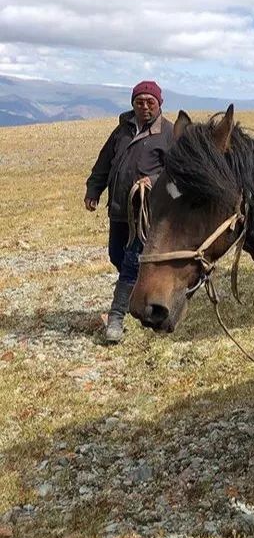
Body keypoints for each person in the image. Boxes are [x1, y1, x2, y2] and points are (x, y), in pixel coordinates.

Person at [84, 80, 174, 343]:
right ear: (133, 102)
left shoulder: (168, 133)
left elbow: (176, 171)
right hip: (119, 210)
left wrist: (154, 181)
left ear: (159, 103)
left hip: (146, 213)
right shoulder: (121, 130)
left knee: (131, 263)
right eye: (139, 101)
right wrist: (93, 190)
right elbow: (104, 162)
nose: (144, 106)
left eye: (150, 102)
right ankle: (142, 292)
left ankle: (116, 318)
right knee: (117, 255)